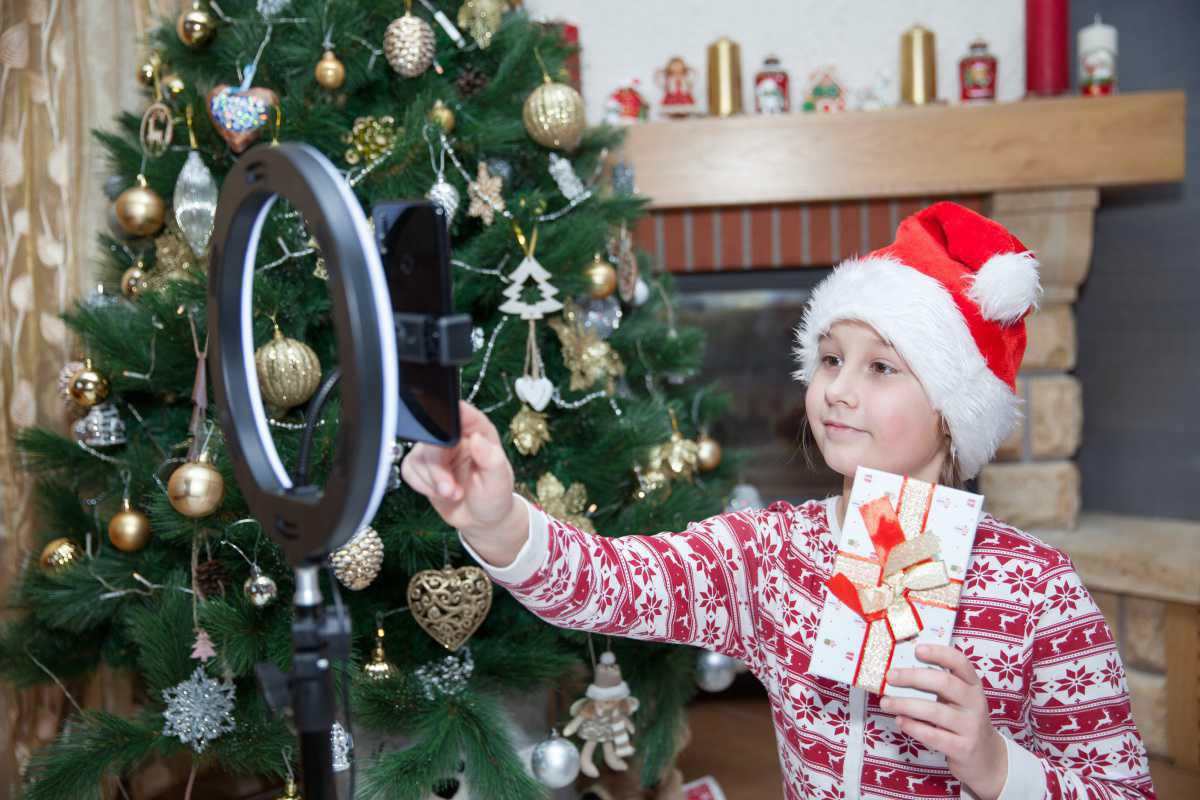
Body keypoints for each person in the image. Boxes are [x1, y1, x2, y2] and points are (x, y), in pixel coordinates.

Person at [401, 202, 1155, 800]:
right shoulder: (772, 554)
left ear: (952, 411)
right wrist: (496, 517)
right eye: (830, 359)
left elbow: (1121, 789)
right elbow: (607, 582)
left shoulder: (1039, 591)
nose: (838, 390)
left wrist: (995, 766)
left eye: (882, 368)